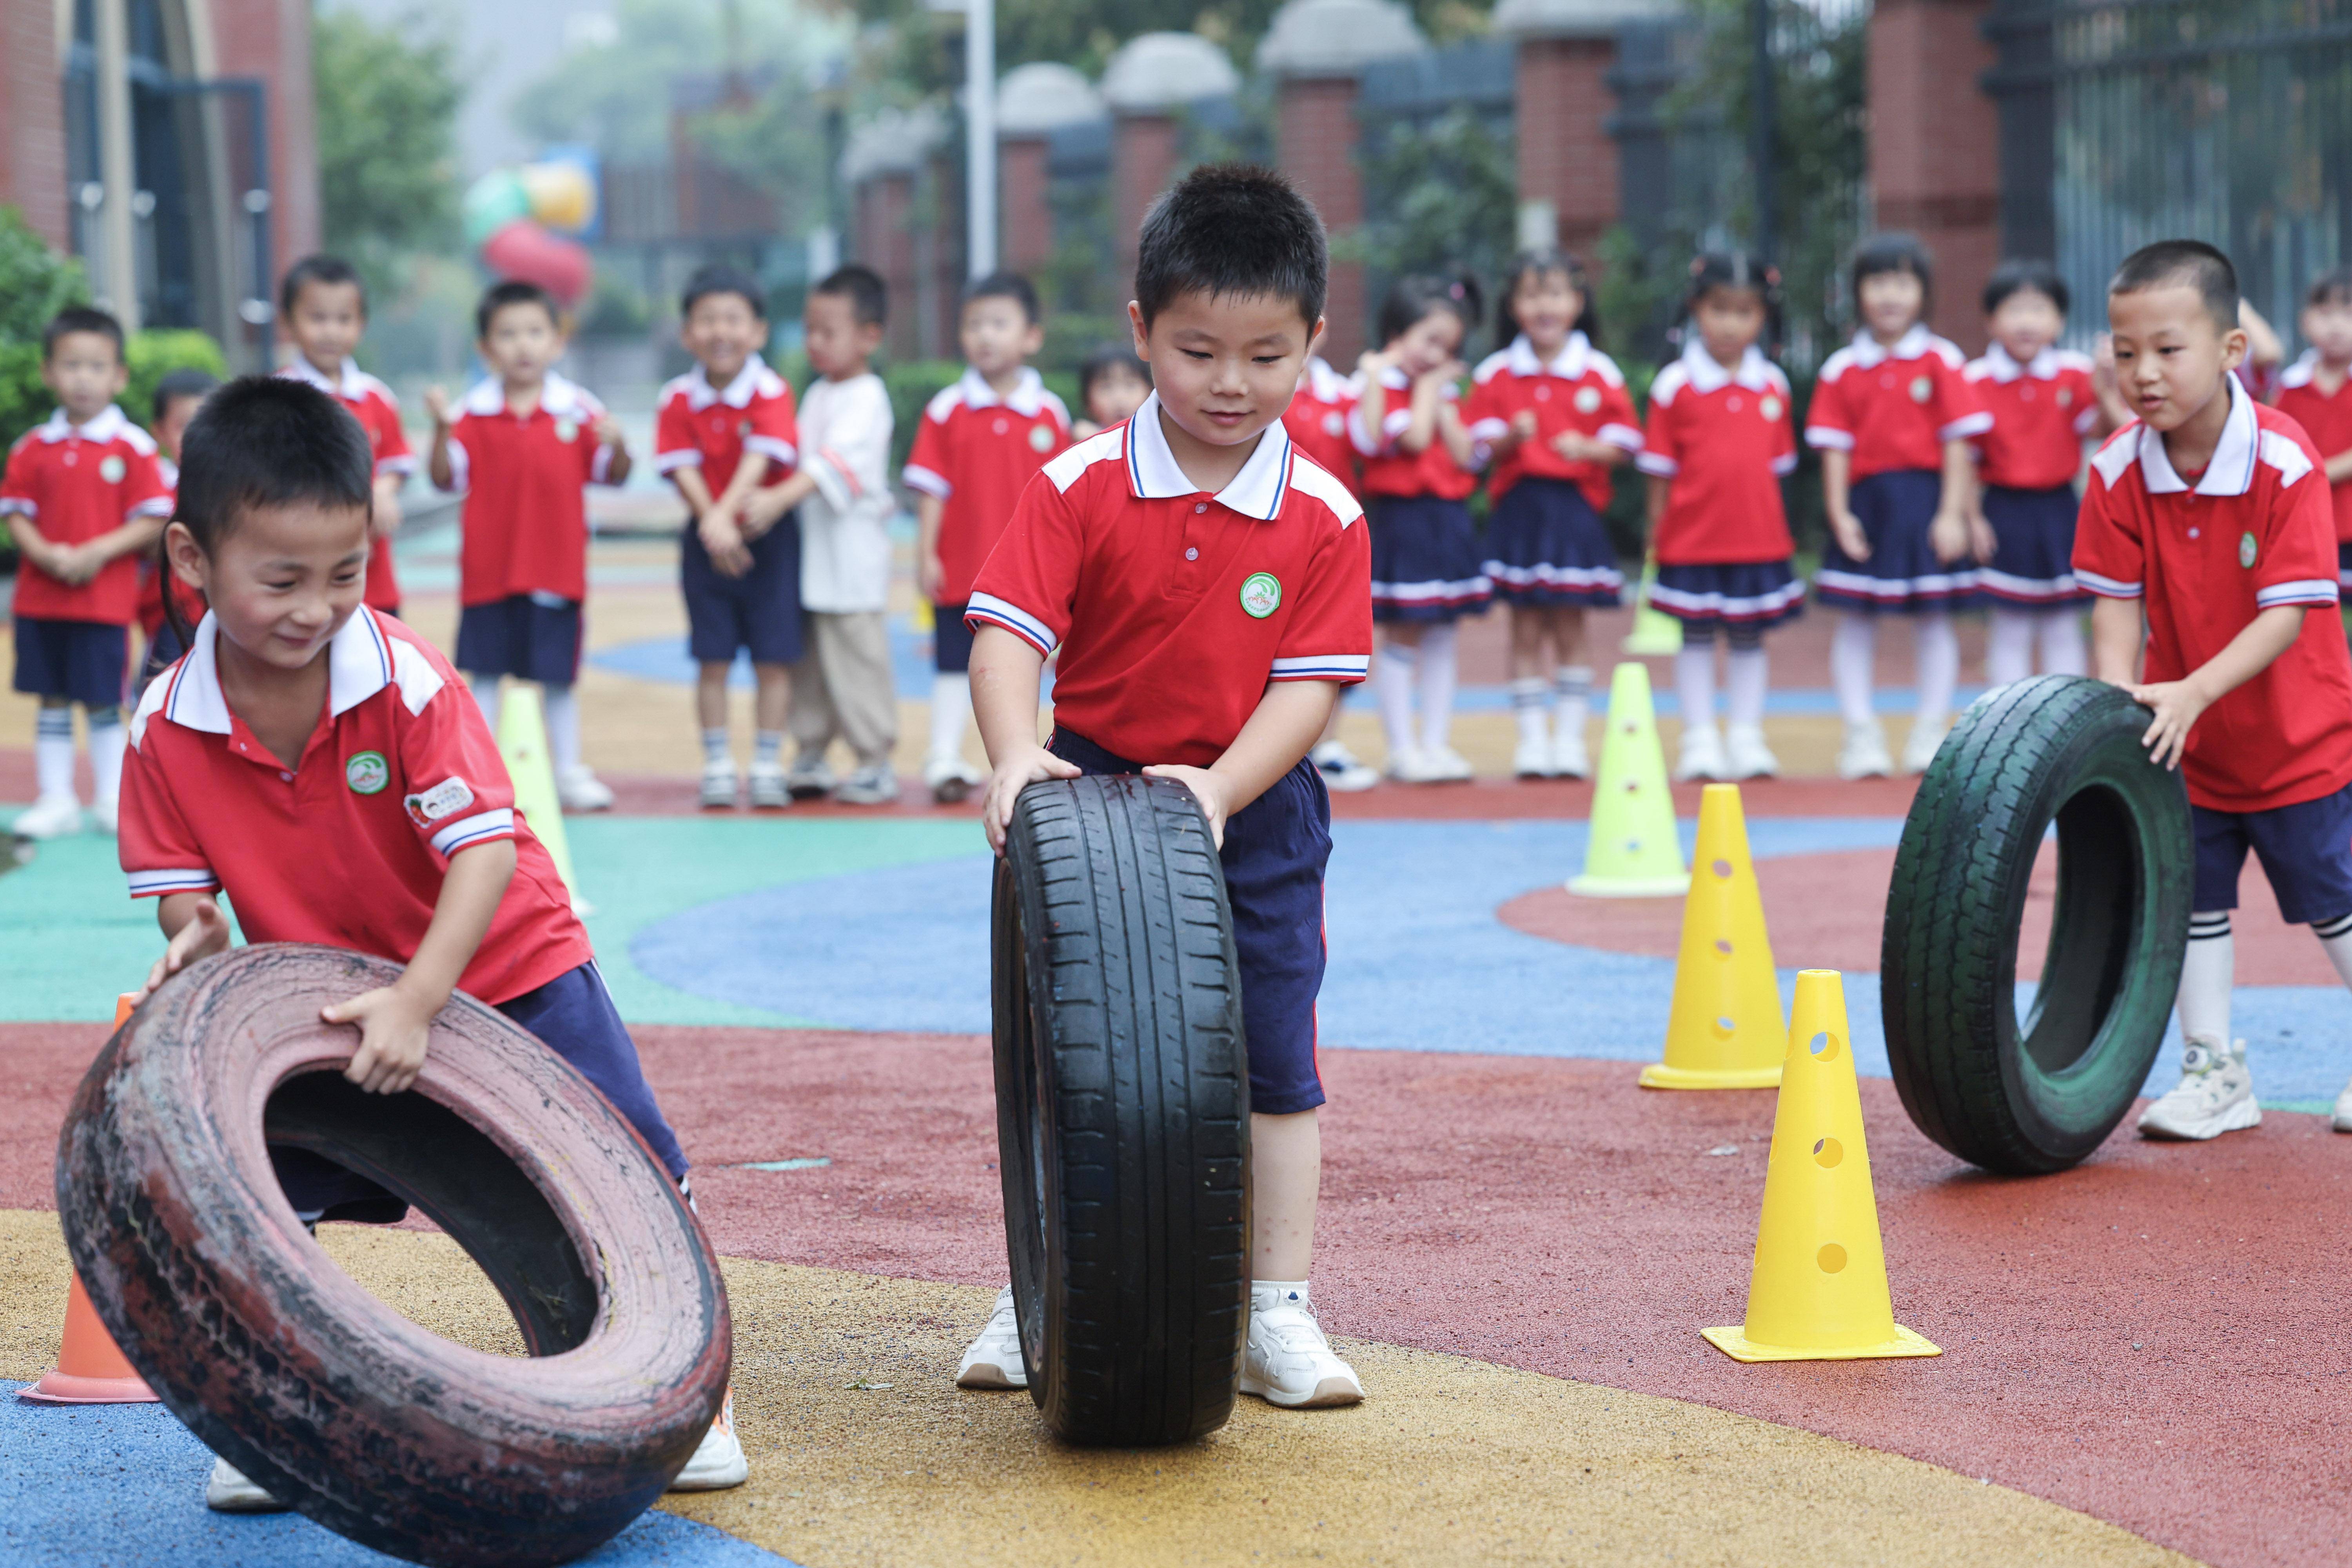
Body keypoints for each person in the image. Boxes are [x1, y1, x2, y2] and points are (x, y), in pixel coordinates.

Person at [115, 375, 748, 1508]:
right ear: (192, 558)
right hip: (326, 989)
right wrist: (195, 933)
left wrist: (420, 1001)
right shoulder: (165, 727)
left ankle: (686, 1393)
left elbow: (486, 855)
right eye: (282, 580)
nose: (317, 608)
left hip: (508, 961)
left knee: (625, 1158)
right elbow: (185, 894)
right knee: (272, 1182)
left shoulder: (403, 679)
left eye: (346, 574)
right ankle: (278, 1407)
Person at [958, 163, 1370, 1408]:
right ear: (1142, 332)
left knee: (1274, 1059)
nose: (1230, 383)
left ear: (1313, 341)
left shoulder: (1323, 514)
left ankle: (1276, 1308)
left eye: (1265, 355)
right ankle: (1038, 1287)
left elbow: (1309, 689)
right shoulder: (1077, 484)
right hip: (1086, 801)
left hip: (1254, 809)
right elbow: (1007, 633)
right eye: (1198, 352)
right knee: (1071, 1062)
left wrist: (1224, 789)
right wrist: (1014, 754)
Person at [2074, 240, 2352, 1140]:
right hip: (2184, 738)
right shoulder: (2116, 470)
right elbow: (2115, 608)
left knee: (2334, 898)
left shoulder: (2284, 460)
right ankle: (2214, 1068)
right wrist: (2119, 702)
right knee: (2190, 901)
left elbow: (2287, 616)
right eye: (2125, 352)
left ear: (2232, 349)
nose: (2143, 373)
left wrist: (2192, 689)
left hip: (2298, 736)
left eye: (2167, 349)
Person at [424, 280, 631, 813]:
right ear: (485, 348)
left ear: (557, 342)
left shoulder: (580, 410)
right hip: (488, 573)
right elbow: (445, 479)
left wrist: (621, 446)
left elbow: (613, 474)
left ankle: (569, 773)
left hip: (556, 572)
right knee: (486, 676)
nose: (523, 345)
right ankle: (482, 778)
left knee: (558, 679)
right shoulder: (470, 414)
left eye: (535, 332)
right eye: (508, 333)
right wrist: (440, 434)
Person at [1805, 233, 1992, 778]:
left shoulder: (1941, 359)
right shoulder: (1841, 368)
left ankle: (1930, 731)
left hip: (1926, 504)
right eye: (1878, 282)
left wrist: (1952, 514)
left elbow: (1958, 443)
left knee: (1934, 620)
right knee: (1857, 621)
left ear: (1923, 293)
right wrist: (1839, 513)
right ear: (1858, 292)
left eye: (1903, 283)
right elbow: (1835, 447)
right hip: (1867, 506)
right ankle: (1860, 734)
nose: (1890, 295)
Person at [1466, 250, 1642, 780]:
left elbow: (1627, 443)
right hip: (1520, 513)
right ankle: (1532, 742)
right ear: (1513, 306)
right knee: (1524, 627)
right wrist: (1508, 438)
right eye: (1532, 295)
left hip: (1573, 515)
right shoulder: (1496, 372)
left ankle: (1568, 741)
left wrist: (1587, 448)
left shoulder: (1598, 370)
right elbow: (1473, 450)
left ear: (1578, 303)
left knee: (1570, 626)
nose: (1545, 306)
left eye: (1557, 294)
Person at [2, 307, 173, 839]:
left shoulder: (133, 446)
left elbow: (153, 515)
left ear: (119, 376)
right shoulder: (33, 446)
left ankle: (111, 799)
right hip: (40, 601)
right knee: (50, 698)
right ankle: (56, 799)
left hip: (104, 605)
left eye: (96, 366)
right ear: (48, 372)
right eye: (71, 365)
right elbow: (15, 511)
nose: (83, 377)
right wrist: (45, 553)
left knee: (103, 700)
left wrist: (97, 552)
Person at [902, 272, 1071, 804]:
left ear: (1032, 336)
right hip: (962, 568)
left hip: (1029, 577)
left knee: (1028, 662)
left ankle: (1026, 757)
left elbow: (1065, 498)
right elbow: (932, 489)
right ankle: (943, 758)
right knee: (953, 663)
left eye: (999, 323)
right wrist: (926, 554)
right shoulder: (946, 409)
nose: (985, 335)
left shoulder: (1050, 412)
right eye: (974, 324)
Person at [1639, 254, 1802, 781]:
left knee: (1750, 637)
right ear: (1696, 310)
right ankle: (1699, 738)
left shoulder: (1773, 384)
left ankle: (1747, 735)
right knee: (1696, 637)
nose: (1731, 324)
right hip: (1691, 540)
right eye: (1719, 310)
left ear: (1763, 317)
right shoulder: (1674, 385)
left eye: (1744, 312)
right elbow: (1659, 472)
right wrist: (1656, 532)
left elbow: (1778, 468)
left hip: (1757, 539)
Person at [653, 265, 805, 810]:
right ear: (687, 333)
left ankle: (767, 763)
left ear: (758, 332)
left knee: (773, 659)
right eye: (707, 319)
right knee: (712, 658)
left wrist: (723, 518)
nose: (721, 331)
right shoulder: (677, 397)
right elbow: (681, 464)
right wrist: (713, 525)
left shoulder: (771, 390)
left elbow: (762, 455)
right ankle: (717, 762)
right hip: (705, 543)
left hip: (770, 541)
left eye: (734, 319)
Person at [1352, 274, 1488, 783]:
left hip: (1447, 519)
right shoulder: (1382, 386)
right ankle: (1402, 748)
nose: (1437, 355)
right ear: (1397, 333)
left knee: (1443, 635)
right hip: (1404, 520)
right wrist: (1429, 390)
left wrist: (1440, 396)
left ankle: (1435, 744)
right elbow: (1410, 438)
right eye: (1429, 340)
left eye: (1448, 347)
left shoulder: (1443, 390)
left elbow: (1466, 455)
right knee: (1404, 633)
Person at [780, 264, 900, 806]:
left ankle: (874, 758)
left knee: (857, 657)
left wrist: (775, 501)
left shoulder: (868, 396)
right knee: (808, 660)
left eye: (828, 331)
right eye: (810, 330)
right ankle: (811, 750)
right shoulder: (818, 395)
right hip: (812, 551)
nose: (815, 342)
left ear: (869, 336)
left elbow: (832, 464)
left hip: (851, 556)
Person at [1965, 260, 2101, 686]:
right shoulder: (1975, 379)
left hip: (2060, 508)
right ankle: (2007, 717)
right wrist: (1972, 518)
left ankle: (2067, 715)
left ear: (2059, 320)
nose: (2026, 322)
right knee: (2010, 625)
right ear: (1991, 321)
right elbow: (1965, 459)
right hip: (2003, 509)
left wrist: (2109, 383)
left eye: (2039, 309)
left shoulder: (2077, 373)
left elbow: (2103, 430)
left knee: (2063, 623)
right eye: (2014, 310)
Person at [276, 255, 413, 619]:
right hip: (302, 567)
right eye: (317, 318)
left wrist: (383, 491)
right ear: (288, 322)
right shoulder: (277, 398)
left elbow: (396, 460)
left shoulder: (376, 397)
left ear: (361, 324)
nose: (331, 332)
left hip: (372, 572)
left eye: (344, 319)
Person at [1284, 352, 1378, 793]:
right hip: (1270, 533)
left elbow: (1372, 443)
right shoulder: (1259, 391)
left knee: (1332, 642)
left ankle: (1327, 743)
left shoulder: (1342, 393)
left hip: (1331, 538)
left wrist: (1374, 377)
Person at [2271, 267, 2352, 597]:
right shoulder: (2290, 387)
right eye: (2326, 313)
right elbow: (2277, 447)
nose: (2336, 325)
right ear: (2306, 322)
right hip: (2307, 518)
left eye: (2348, 313)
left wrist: (2317, 472)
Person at [137, 367, 219, 686]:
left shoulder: (238, 486)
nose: (199, 436)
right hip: (170, 617)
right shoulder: (155, 485)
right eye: (185, 426)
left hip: (226, 611)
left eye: (209, 423)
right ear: (159, 432)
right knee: (162, 687)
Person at [1069, 341, 1151, 441]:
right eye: (1106, 387)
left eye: (1130, 385)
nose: (1119, 398)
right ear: (1087, 399)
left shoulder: (1161, 436)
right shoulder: (1084, 441)